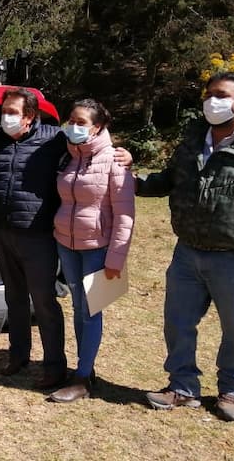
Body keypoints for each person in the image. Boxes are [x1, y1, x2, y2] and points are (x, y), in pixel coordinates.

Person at [138, 71, 234, 422]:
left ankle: (233, 390)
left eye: (221, 94)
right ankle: (182, 386)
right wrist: (134, 182)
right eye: (208, 94)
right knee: (177, 322)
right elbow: (169, 180)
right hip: (188, 251)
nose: (212, 101)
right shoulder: (193, 141)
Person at [47, 99, 135, 403]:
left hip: (98, 249)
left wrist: (116, 259)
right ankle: (85, 368)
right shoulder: (69, 156)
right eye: (71, 119)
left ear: (98, 127)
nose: (73, 126)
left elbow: (125, 215)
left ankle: (82, 378)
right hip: (67, 244)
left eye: (81, 122)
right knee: (78, 307)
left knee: (91, 310)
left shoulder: (115, 161)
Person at [0, 88, 69, 390]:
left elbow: (90, 142)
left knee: (44, 301)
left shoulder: (52, 139)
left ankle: (54, 366)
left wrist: (121, 153)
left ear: (29, 117)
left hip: (37, 235)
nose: (5, 117)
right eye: (3, 111)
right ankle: (18, 355)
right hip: (1, 231)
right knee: (14, 298)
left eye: (12, 112)